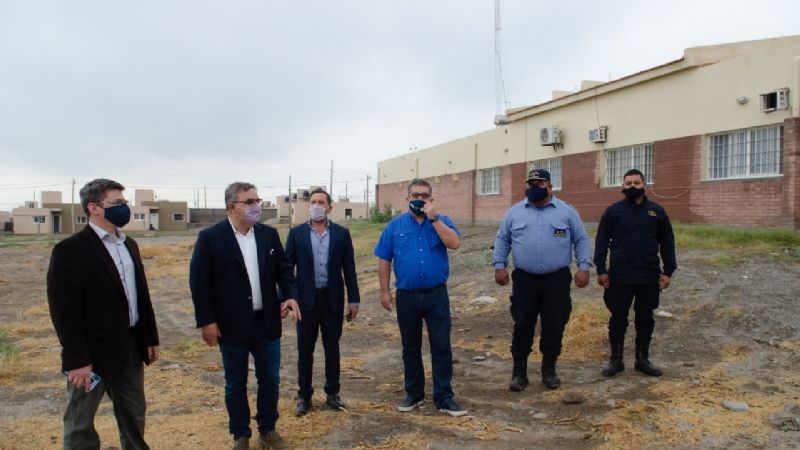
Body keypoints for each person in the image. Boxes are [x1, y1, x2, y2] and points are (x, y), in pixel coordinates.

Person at [47, 178, 160, 450]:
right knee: (80, 422)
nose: (124, 208)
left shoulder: (128, 245)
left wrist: (149, 338)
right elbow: (64, 311)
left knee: (134, 415)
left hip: (130, 347)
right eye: (117, 203)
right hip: (91, 355)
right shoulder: (70, 251)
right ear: (94, 208)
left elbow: (140, 296)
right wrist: (77, 360)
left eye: (124, 202)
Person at [189, 182, 301, 450]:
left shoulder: (268, 235)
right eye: (249, 202)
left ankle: (268, 430)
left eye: (257, 200)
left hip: (267, 323)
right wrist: (207, 321)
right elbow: (199, 283)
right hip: (231, 325)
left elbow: (284, 272)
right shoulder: (211, 238)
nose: (256, 206)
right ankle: (240, 434)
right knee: (236, 383)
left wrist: (289, 295)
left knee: (270, 380)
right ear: (232, 207)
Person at [374, 178, 467, 417]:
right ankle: (414, 394)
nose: (419, 199)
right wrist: (384, 292)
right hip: (406, 297)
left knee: (441, 346)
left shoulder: (442, 221)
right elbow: (384, 259)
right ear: (407, 199)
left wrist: (434, 218)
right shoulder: (395, 227)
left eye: (424, 196)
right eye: (415, 195)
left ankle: (444, 397)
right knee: (410, 347)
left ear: (431, 199)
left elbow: (454, 243)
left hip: (436, 295)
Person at [493, 168, 592, 391]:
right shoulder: (514, 212)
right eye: (531, 184)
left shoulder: (566, 212)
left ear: (549, 186)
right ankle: (519, 373)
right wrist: (499, 265)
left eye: (539, 184)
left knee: (554, 324)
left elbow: (581, 240)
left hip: (556, 280)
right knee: (522, 324)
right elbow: (502, 240)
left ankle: (549, 370)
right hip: (525, 280)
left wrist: (584, 267)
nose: (534, 188)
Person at [594, 169, 677, 378]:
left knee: (645, 318)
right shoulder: (613, 212)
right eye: (628, 183)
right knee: (618, 318)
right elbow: (602, 241)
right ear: (622, 186)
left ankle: (642, 359)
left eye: (636, 183)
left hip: (648, 275)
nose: (632, 186)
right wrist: (601, 269)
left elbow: (667, 242)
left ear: (644, 185)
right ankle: (616, 360)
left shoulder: (656, 212)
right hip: (619, 276)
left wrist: (668, 271)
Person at [285, 188, 360, 416]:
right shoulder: (296, 234)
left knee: (332, 349)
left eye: (321, 202)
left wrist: (354, 300)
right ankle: (304, 396)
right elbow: (287, 270)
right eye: (313, 201)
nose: (317, 205)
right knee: (305, 351)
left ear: (329, 207)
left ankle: (332, 394)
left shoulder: (341, 234)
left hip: (332, 301)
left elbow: (349, 269)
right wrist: (287, 298)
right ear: (309, 206)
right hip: (306, 303)